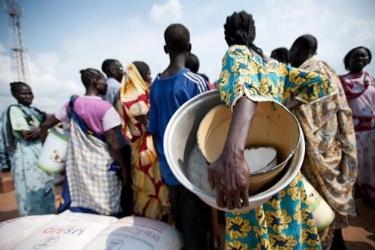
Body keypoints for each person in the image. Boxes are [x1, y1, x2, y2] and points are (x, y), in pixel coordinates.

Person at [209, 11, 332, 249]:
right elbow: (321, 84)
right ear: (253, 33)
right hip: (282, 172)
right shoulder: (277, 67)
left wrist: (233, 155)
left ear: (226, 37)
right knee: (288, 234)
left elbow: (246, 92)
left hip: (249, 179)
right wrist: (281, 109)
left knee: (256, 237)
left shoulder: (235, 53)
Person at [290, 34, 357, 250]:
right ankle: (337, 242)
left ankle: (326, 244)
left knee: (317, 206)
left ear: (300, 49)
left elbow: (293, 108)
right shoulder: (329, 71)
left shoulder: (305, 75)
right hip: (333, 149)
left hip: (314, 155)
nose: (291, 56)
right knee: (327, 204)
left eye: (292, 51)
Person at [147, 23, 210, 250]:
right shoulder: (195, 82)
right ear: (190, 47)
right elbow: (209, 127)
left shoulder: (155, 86)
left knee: (183, 226)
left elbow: (153, 130)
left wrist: (165, 161)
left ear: (165, 49)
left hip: (170, 170)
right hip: (194, 171)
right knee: (198, 230)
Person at [41, 68, 128, 216]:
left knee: (81, 203)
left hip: (78, 166)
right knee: (107, 204)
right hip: (102, 164)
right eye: (103, 80)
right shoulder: (105, 107)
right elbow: (112, 142)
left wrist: (48, 149)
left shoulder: (72, 104)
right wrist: (123, 168)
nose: (106, 84)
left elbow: (45, 126)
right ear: (95, 82)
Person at [118, 61, 170, 220]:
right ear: (140, 75)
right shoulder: (139, 97)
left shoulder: (123, 96)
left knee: (143, 191)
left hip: (136, 149)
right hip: (149, 150)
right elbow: (149, 124)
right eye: (148, 73)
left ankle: (147, 224)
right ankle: (159, 224)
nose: (150, 76)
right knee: (155, 189)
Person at [0, 82, 55, 216]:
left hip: (39, 154)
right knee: (30, 189)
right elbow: (27, 134)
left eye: (29, 93)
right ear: (15, 95)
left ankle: (46, 218)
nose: (27, 96)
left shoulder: (34, 111)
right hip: (26, 157)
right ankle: (31, 220)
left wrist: (41, 129)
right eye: (23, 93)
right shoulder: (14, 110)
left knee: (44, 187)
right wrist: (43, 128)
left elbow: (48, 121)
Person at [340, 47, 375, 208]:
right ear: (348, 60)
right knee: (353, 166)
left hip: (372, 131)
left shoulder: (372, 81)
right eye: (355, 56)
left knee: (371, 164)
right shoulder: (340, 82)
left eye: (363, 56)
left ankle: (370, 196)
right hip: (350, 131)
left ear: (368, 59)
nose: (359, 58)